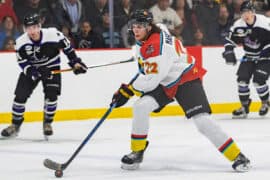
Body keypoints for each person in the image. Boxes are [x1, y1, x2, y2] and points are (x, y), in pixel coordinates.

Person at [111, 9, 251, 172]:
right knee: (141, 106)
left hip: (185, 77)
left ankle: (237, 155)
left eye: (140, 26)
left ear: (149, 27)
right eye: (134, 26)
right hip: (166, 79)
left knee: (202, 121)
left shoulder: (157, 46)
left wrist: (128, 91)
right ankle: (137, 151)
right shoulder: (158, 28)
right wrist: (142, 60)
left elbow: (152, 80)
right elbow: (152, 64)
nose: (136, 29)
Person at [1, 13, 87, 138]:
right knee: (20, 97)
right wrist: (33, 72)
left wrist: (75, 62)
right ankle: (15, 125)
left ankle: (47, 123)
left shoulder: (53, 34)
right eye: (29, 28)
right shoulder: (20, 42)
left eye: (35, 27)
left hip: (52, 67)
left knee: (52, 96)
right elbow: (22, 62)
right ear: (25, 29)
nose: (32, 31)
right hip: (32, 68)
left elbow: (68, 48)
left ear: (40, 26)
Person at [222, 0, 270, 118]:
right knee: (242, 81)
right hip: (249, 57)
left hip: (266, 58)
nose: (245, 15)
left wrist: (265, 52)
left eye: (248, 12)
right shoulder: (238, 25)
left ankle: (265, 103)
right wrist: (229, 51)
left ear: (253, 12)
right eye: (243, 12)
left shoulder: (265, 22)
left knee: (258, 80)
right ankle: (244, 106)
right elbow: (229, 40)